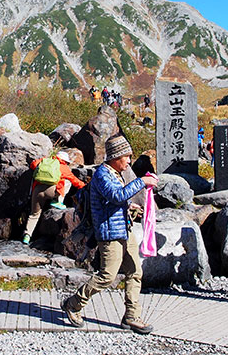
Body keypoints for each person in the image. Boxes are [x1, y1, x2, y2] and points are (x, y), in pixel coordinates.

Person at [61, 135, 159, 334]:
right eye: (127, 157)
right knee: (107, 276)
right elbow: (116, 195)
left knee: (135, 271)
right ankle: (73, 303)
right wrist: (141, 181)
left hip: (125, 229)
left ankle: (132, 316)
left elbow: (116, 200)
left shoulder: (115, 173)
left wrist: (129, 207)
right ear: (116, 157)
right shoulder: (103, 175)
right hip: (109, 233)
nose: (129, 161)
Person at [23, 151, 85, 245]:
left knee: (34, 214)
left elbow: (33, 164)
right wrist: (86, 186)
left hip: (37, 190)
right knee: (67, 182)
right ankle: (57, 201)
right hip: (52, 191)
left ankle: (27, 235)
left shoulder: (44, 161)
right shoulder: (63, 167)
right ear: (64, 161)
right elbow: (75, 181)